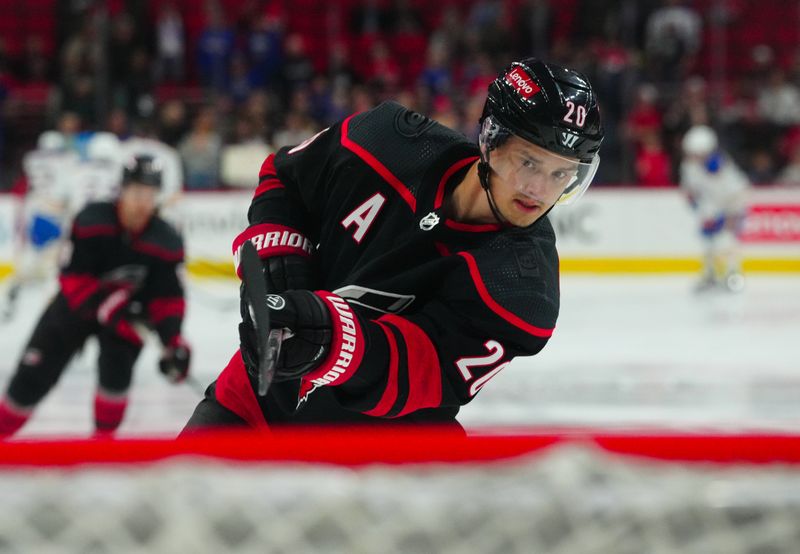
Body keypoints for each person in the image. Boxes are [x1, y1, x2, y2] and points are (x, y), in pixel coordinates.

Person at [182, 58, 603, 433]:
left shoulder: (523, 291)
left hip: (387, 459)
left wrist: (330, 340)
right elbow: (286, 178)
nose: (538, 190)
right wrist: (280, 267)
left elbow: (417, 368)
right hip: (253, 403)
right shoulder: (384, 141)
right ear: (491, 140)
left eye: (560, 175)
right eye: (528, 162)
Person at [0, 156, 191, 438]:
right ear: (122, 191)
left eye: (150, 195)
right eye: (137, 192)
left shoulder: (165, 239)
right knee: (30, 379)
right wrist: (105, 306)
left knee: (117, 377)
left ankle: (103, 446)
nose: (143, 203)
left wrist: (172, 341)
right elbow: (72, 278)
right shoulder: (92, 220)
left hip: (126, 317)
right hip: (74, 310)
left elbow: (167, 298)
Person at [680, 125, 750, 292]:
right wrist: (700, 208)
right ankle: (710, 275)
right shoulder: (689, 167)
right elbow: (690, 191)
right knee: (708, 244)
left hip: (730, 207)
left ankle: (732, 274)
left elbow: (737, 191)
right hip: (709, 210)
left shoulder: (721, 165)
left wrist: (731, 215)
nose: (696, 157)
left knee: (727, 241)